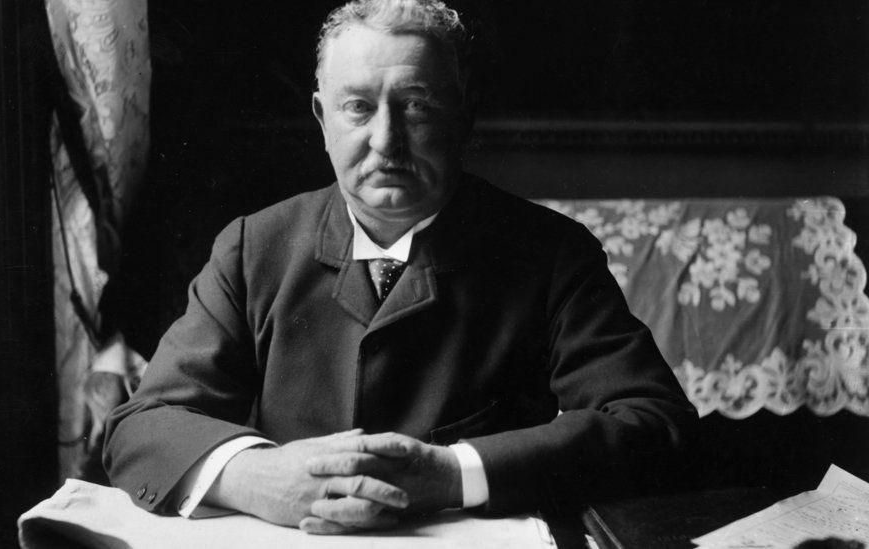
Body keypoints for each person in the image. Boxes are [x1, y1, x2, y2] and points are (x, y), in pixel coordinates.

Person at [104, 0, 698, 535]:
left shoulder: (549, 253)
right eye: (358, 108)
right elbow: (143, 425)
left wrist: (451, 473)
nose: (386, 141)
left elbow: (657, 425)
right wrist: (259, 478)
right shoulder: (252, 248)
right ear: (322, 118)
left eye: (415, 107)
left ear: (463, 117)